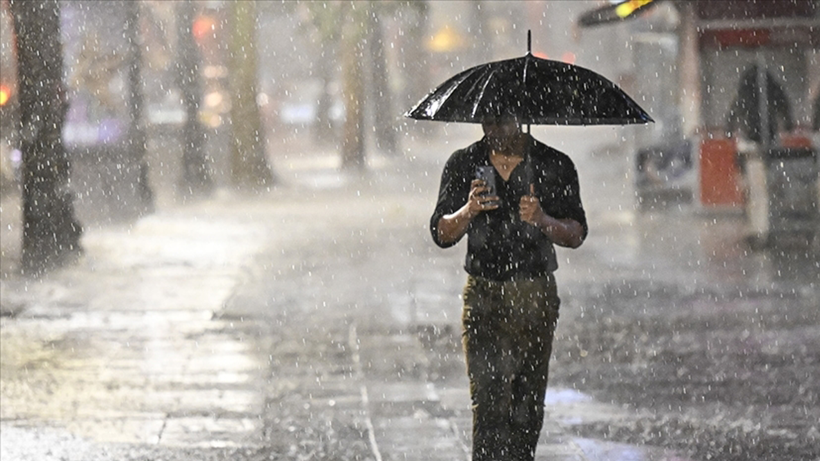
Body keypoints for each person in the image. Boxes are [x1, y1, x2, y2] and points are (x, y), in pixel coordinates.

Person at [430, 115, 587, 461]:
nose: (493, 130)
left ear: (521, 117)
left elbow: (575, 233)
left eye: (501, 121)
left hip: (534, 293)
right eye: (486, 121)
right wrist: (468, 211)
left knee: (527, 403)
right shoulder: (464, 163)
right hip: (484, 294)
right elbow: (441, 232)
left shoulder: (553, 164)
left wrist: (543, 220)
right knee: (487, 402)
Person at [726, 64, 794, 146]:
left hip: (750, 132)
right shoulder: (772, 89)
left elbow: (734, 110)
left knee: (749, 154)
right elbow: (784, 106)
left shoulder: (744, 91)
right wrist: (788, 125)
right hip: (768, 131)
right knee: (772, 154)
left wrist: (729, 130)